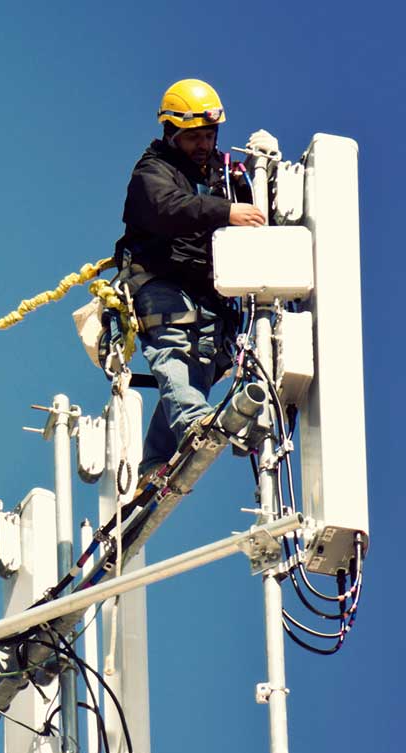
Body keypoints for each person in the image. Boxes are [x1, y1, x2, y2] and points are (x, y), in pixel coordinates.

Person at [117, 79, 268, 483]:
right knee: (173, 352)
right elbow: (168, 208)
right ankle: (192, 421)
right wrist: (227, 211)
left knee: (200, 368)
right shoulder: (153, 171)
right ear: (171, 134)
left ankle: (155, 462)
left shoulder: (223, 175)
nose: (203, 145)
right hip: (161, 282)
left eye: (208, 136)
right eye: (193, 138)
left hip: (207, 293)